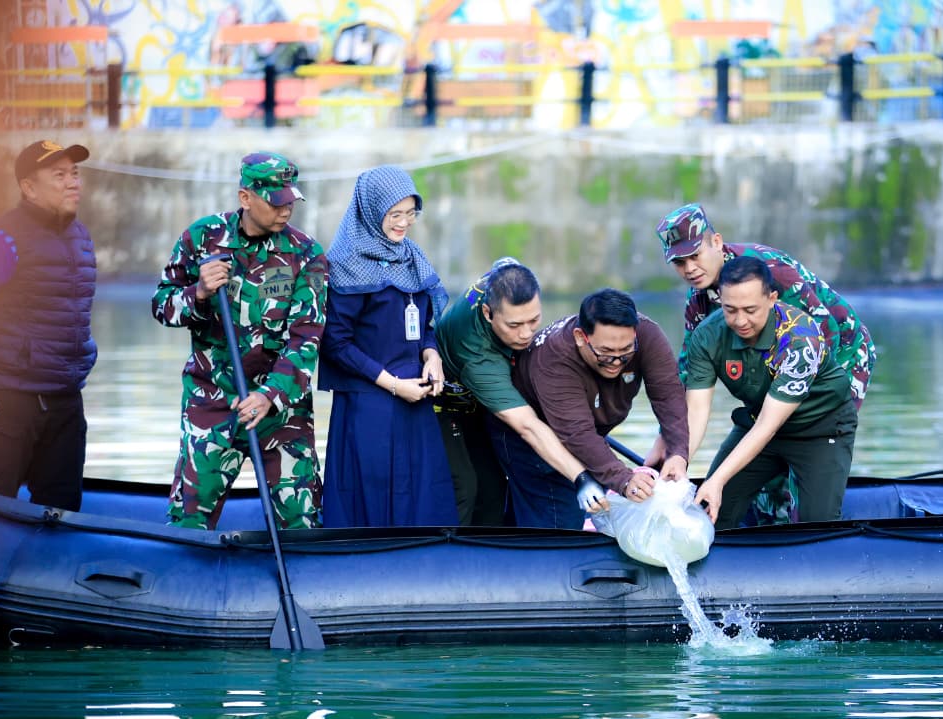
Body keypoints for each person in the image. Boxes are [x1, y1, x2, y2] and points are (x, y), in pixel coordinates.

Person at [656, 201, 875, 523]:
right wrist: (667, 452)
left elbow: (822, 335)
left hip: (839, 352)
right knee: (763, 441)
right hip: (770, 377)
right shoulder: (700, 305)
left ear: (716, 243)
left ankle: (800, 507)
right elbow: (690, 383)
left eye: (695, 255)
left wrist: (717, 478)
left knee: (801, 432)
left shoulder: (772, 273)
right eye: (679, 262)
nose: (689, 268)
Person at [152, 151, 328, 530]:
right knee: (188, 522)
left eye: (291, 201)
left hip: (281, 412)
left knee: (301, 522)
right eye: (276, 201)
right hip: (212, 404)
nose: (286, 211)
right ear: (245, 198)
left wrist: (269, 396)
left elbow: (306, 339)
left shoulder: (306, 254)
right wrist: (197, 292)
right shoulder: (202, 238)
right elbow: (162, 306)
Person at [317, 166, 456, 528]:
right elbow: (336, 343)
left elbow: (425, 323)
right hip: (369, 402)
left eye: (411, 213)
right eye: (395, 215)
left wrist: (432, 355)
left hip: (416, 398)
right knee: (371, 497)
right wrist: (392, 384)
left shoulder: (411, 256)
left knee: (424, 498)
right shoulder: (346, 264)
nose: (404, 223)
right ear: (372, 210)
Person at [684, 256, 858, 530]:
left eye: (750, 309)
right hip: (755, 422)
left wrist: (716, 480)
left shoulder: (801, 338)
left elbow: (768, 426)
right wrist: (680, 459)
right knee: (710, 514)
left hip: (820, 429)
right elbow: (696, 411)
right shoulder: (708, 335)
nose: (740, 320)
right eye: (730, 309)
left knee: (817, 528)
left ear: (772, 298)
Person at [435, 258, 609, 527]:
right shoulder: (479, 359)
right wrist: (582, 478)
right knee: (466, 488)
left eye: (534, 320)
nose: (526, 334)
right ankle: (453, 557)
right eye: (514, 326)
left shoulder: (503, 276)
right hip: (444, 403)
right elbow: (528, 427)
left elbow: (505, 264)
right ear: (487, 313)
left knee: (496, 486)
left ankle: (498, 549)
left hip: (482, 399)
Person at [509, 288, 690, 529]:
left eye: (625, 352)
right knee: (559, 522)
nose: (616, 362)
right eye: (605, 353)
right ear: (580, 337)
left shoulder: (648, 335)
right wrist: (624, 480)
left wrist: (678, 452)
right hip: (533, 436)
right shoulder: (553, 358)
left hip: (590, 432)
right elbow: (577, 433)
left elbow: (668, 395)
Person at [0, 140, 96, 511]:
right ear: (28, 187)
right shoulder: (4, 238)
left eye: (75, 174)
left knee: (63, 511)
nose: (73, 183)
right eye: (60, 175)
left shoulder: (81, 237)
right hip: (9, 400)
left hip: (66, 400)